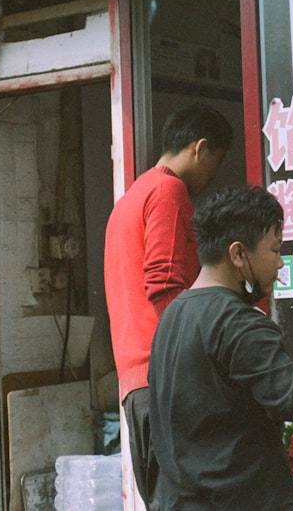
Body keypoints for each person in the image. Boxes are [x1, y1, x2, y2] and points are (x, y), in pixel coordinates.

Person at [148, 185, 293, 510]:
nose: (281, 264)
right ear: (238, 254)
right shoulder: (239, 322)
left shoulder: (175, 313)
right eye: (275, 250)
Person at [104, 101, 233, 509]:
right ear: (201, 148)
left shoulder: (129, 199)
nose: (213, 175)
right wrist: (202, 357)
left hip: (136, 384)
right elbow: (163, 283)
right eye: (217, 160)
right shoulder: (168, 190)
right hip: (166, 380)